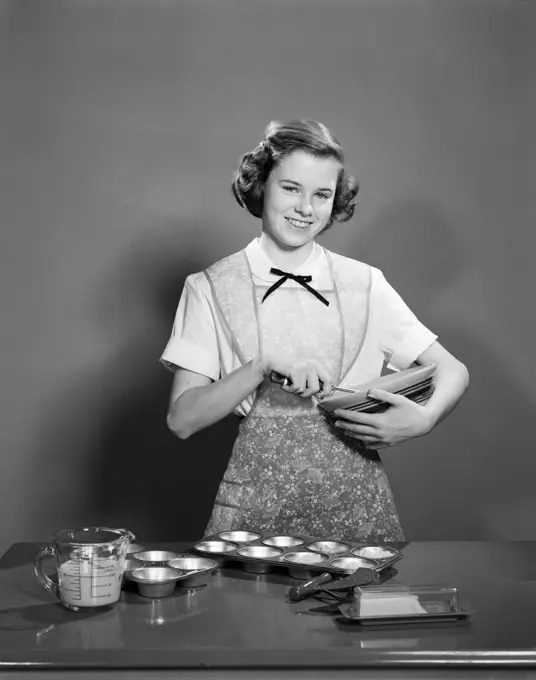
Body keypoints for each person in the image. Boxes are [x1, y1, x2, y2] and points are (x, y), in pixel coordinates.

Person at [160, 119, 469, 542]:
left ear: (335, 201)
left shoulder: (364, 283)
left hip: (358, 512)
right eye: (291, 188)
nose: (306, 208)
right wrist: (260, 366)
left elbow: (453, 370)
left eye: (321, 194)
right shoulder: (210, 286)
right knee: (248, 607)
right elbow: (182, 419)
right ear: (261, 186)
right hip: (254, 514)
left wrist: (424, 419)